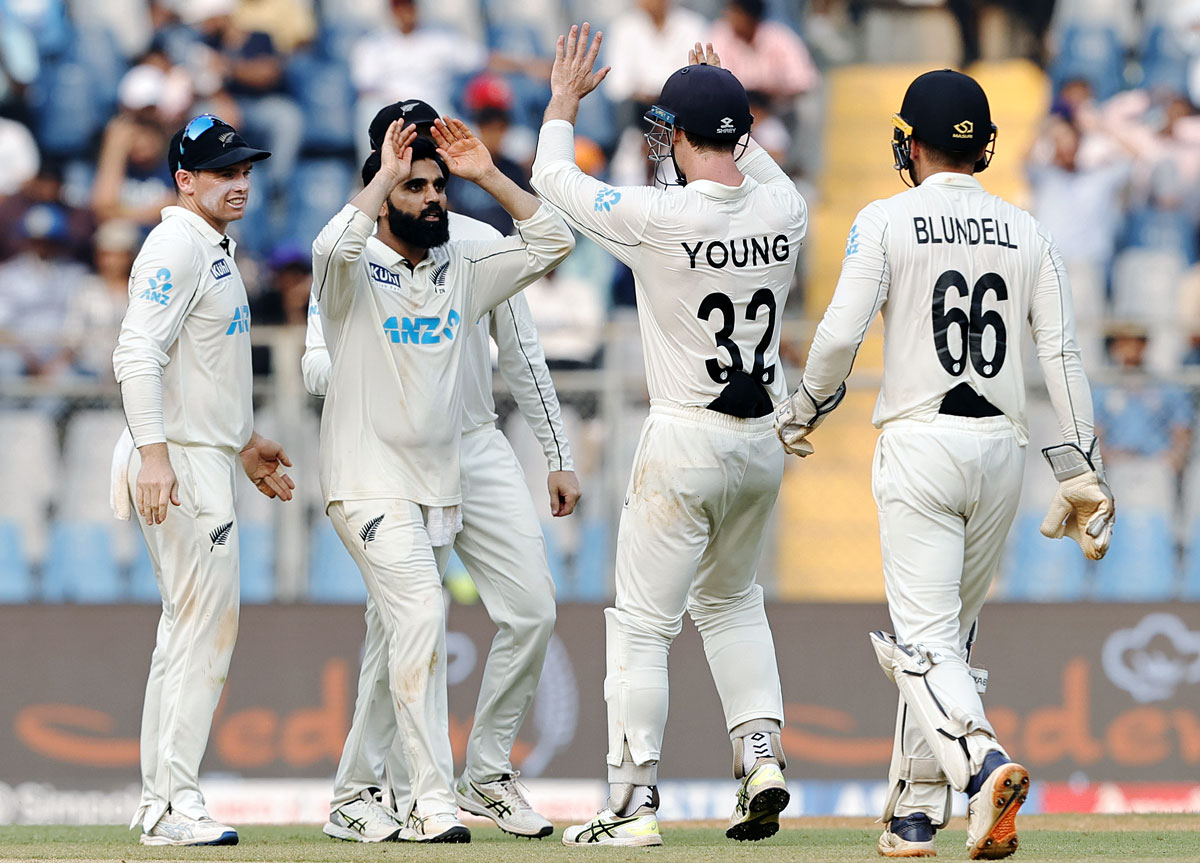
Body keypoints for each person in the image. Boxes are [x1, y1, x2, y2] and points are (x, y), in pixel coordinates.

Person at [774, 69, 1116, 859]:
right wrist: (1082, 467)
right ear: (984, 146)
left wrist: (804, 409)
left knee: (923, 644)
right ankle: (913, 814)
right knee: (947, 644)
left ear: (909, 140)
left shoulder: (886, 218)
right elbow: (1060, 353)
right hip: (1002, 448)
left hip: (921, 440)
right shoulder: (1028, 228)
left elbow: (836, 334)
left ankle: (982, 765)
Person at [531, 29, 806, 846]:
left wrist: (559, 104)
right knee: (732, 601)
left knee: (644, 625)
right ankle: (760, 753)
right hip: (762, 442)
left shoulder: (656, 218)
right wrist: (716, 92)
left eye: (671, 133)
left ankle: (631, 801)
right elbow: (750, 160)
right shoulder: (785, 209)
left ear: (681, 138)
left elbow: (551, 179)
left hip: (685, 435)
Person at [303, 99, 580, 842]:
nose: (431, 195)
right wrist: (354, 368)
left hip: (469, 448)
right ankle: (414, 796)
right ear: (384, 168)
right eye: (412, 178)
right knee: (412, 617)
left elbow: (552, 249)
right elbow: (323, 272)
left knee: (527, 611)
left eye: (437, 180)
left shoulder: (474, 247)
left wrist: (487, 172)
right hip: (375, 465)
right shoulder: (351, 255)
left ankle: (475, 776)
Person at [111, 113, 295, 846]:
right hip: (180, 462)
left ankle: (160, 798)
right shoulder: (175, 246)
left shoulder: (211, 247)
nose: (240, 183)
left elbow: (201, 368)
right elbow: (135, 352)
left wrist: (244, 441)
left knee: (184, 633)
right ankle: (173, 803)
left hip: (201, 453)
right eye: (224, 173)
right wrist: (156, 454)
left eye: (245, 170)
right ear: (185, 180)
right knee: (202, 633)